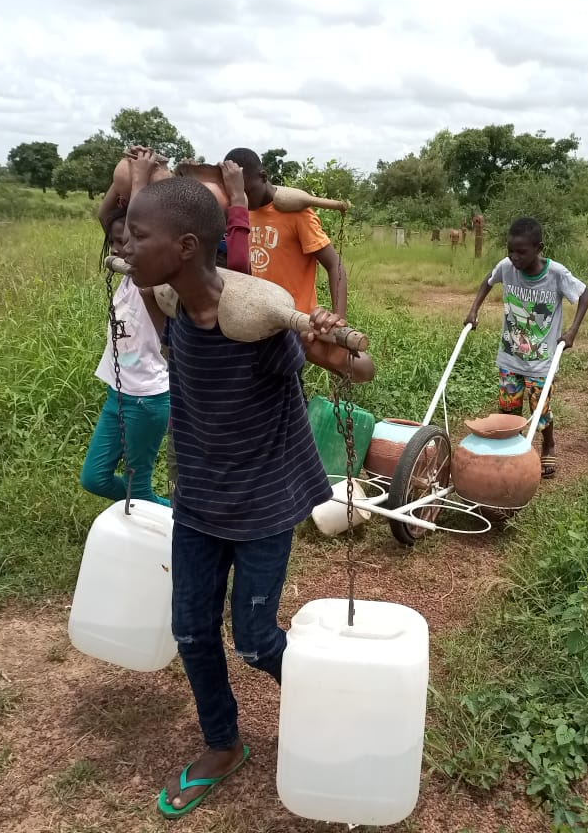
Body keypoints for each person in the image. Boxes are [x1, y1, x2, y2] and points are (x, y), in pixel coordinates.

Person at [118, 175, 373, 819]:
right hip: (201, 500)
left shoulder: (259, 324)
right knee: (192, 631)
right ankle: (223, 744)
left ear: (183, 247)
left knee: (256, 639)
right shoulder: (170, 305)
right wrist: (134, 181)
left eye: (139, 234)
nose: (126, 242)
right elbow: (123, 249)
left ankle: (328, 709)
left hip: (261, 502)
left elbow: (357, 369)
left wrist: (332, 348)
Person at [464, 216, 588, 478]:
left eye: (521, 252)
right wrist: (473, 310)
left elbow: (585, 293)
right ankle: (514, 450)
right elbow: (487, 281)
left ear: (538, 248)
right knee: (508, 409)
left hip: (541, 362)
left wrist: (572, 331)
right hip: (510, 356)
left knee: (539, 410)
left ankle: (548, 443)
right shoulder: (506, 267)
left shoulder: (556, 274)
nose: (514, 257)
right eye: (510, 250)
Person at [79, 172, 172, 506]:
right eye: (116, 242)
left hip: (146, 400)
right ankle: (166, 514)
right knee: (94, 477)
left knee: (140, 487)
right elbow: (106, 217)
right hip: (117, 393)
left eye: (128, 241)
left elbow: (137, 233)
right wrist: (123, 181)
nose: (121, 249)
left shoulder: (154, 285)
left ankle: (183, 519)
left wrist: (141, 178)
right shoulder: (127, 278)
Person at [222, 147, 347, 318]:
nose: (244, 199)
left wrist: (338, 317)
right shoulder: (240, 211)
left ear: (263, 176)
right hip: (260, 319)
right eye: (237, 193)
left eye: (248, 192)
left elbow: (334, 265)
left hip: (296, 322)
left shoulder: (296, 213)